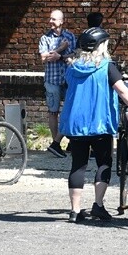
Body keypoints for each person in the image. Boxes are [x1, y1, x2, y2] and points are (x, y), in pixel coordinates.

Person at [61, 26, 128, 222]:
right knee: (103, 164)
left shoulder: (72, 67)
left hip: (76, 124)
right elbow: (122, 91)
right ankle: (98, 205)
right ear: (101, 45)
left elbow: (68, 90)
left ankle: (75, 211)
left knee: (78, 166)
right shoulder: (106, 67)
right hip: (100, 124)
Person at [39, 9, 76, 158]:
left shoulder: (70, 36)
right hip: (52, 80)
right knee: (53, 112)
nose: (51, 22)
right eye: (50, 19)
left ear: (61, 21)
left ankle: (60, 143)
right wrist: (60, 49)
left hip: (67, 79)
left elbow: (75, 54)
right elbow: (44, 58)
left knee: (70, 110)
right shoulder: (45, 38)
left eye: (54, 19)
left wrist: (59, 55)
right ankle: (57, 144)